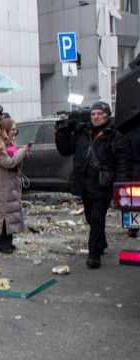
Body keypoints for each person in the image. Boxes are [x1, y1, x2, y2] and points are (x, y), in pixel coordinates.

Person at [55, 102, 131, 267]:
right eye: (93, 114)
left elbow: (123, 162)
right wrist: (62, 130)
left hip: (103, 185)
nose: (96, 117)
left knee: (97, 218)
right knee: (90, 217)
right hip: (84, 184)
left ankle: (94, 254)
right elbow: (65, 149)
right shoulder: (83, 132)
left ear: (107, 115)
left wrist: (120, 185)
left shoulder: (115, 135)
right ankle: (101, 242)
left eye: (99, 113)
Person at [0, 117, 30, 254]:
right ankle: (2, 245)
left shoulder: (8, 142)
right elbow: (8, 163)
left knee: (10, 213)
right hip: (0, 185)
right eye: (12, 129)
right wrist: (21, 153)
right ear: (5, 130)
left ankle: (8, 243)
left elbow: (15, 162)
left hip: (9, 183)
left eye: (15, 130)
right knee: (2, 215)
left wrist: (23, 155)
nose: (14, 132)